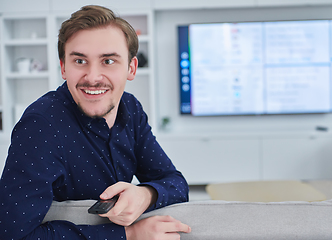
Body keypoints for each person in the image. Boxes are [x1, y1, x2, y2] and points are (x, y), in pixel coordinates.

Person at [0, 5, 191, 240]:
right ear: (63, 67)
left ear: (131, 68)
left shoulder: (130, 108)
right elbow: (12, 234)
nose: (92, 77)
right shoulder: (41, 126)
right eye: (80, 61)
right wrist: (128, 235)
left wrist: (146, 194)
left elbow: (176, 183)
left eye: (108, 61)